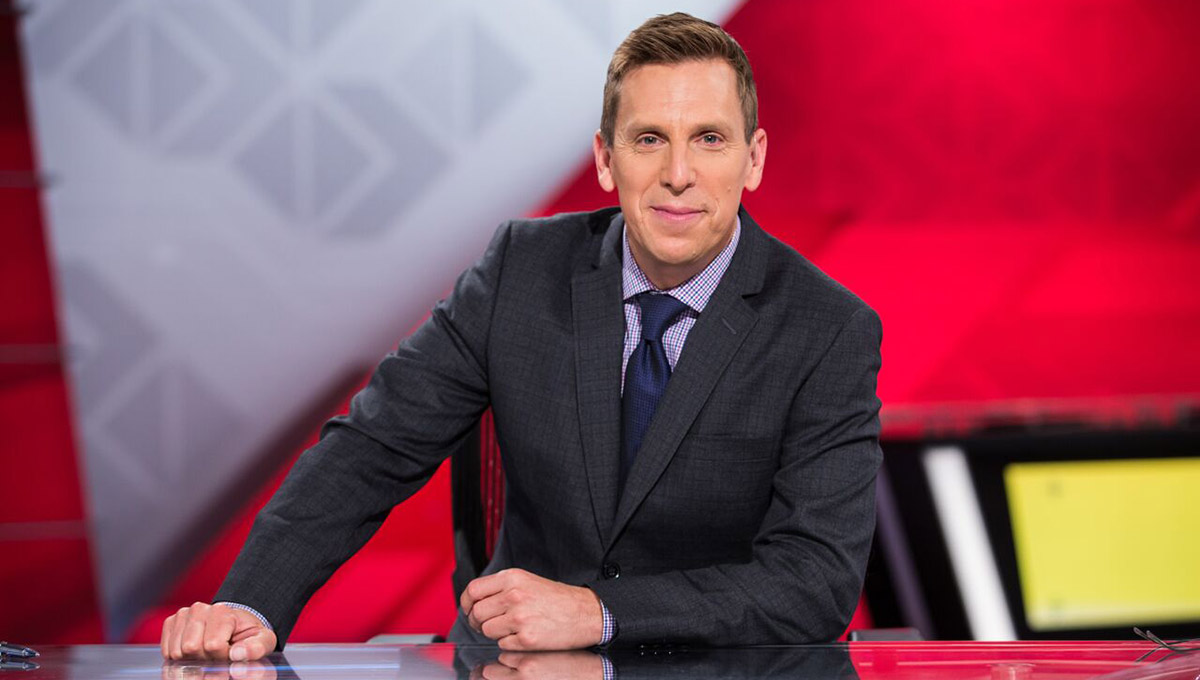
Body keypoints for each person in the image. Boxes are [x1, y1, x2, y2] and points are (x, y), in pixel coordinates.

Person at [161, 12, 882, 662]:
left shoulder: (828, 330)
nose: (678, 174)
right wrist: (249, 606)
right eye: (649, 139)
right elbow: (373, 448)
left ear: (754, 159)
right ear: (605, 159)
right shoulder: (521, 271)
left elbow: (815, 579)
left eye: (710, 139)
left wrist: (599, 612)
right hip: (510, 665)